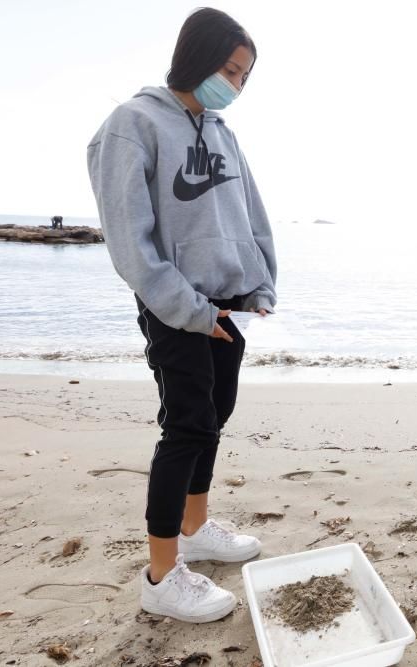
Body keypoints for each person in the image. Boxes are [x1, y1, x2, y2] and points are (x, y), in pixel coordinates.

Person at [87, 8, 277, 624]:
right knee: (187, 428)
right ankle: (162, 574)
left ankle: (195, 528)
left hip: (226, 305)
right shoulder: (132, 124)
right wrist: (187, 309)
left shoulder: (222, 131)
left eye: (245, 77)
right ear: (196, 55)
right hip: (174, 306)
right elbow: (130, 243)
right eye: (229, 69)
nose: (236, 86)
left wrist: (260, 283)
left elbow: (249, 213)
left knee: (215, 418)